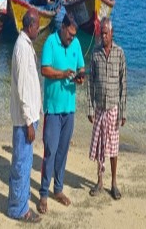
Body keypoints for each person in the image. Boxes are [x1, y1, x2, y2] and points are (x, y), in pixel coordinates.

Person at [37, 13, 85, 214]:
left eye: (74, 35)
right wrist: (63, 74)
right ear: (63, 28)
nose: (72, 38)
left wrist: (80, 77)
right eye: (70, 34)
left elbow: (81, 66)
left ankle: (58, 189)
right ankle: (43, 195)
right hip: (53, 109)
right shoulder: (50, 42)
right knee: (50, 151)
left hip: (69, 108)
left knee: (63, 151)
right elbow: (45, 70)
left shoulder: (76, 45)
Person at [8, 8, 42, 223]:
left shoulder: (26, 45)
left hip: (28, 117)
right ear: (30, 26)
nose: (39, 29)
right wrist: (29, 121)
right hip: (24, 120)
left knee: (25, 162)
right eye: (38, 25)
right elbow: (21, 89)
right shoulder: (21, 48)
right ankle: (19, 210)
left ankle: (21, 202)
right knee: (21, 164)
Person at [87, 17, 127, 200]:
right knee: (100, 147)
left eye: (106, 33)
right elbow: (90, 82)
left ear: (112, 33)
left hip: (113, 108)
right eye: (101, 32)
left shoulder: (120, 53)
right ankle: (99, 181)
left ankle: (114, 183)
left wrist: (123, 112)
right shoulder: (95, 54)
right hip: (99, 109)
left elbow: (123, 84)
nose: (103, 36)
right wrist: (89, 107)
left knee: (113, 148)